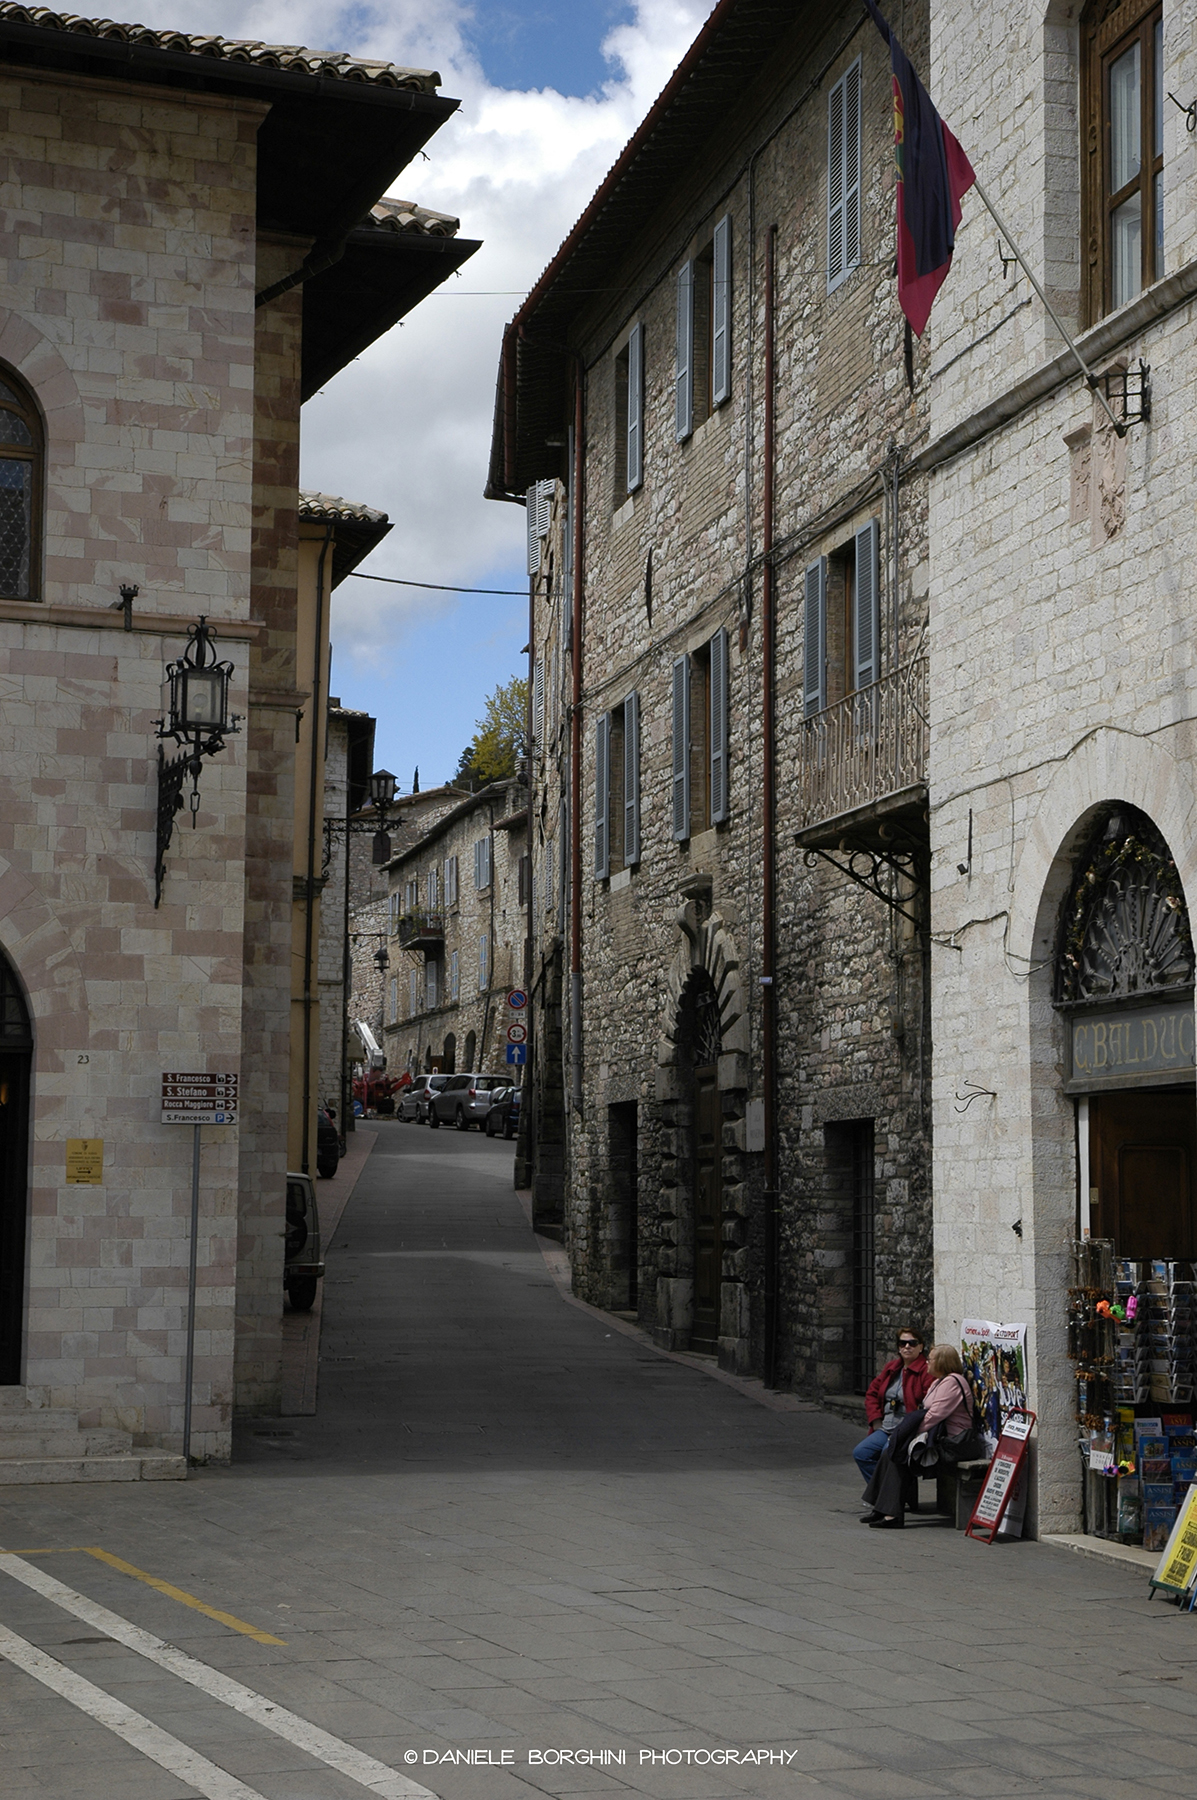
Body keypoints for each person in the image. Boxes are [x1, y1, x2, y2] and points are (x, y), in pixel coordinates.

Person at [860, 1342, 976, 1528]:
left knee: (900, 1455)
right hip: (937, 1439)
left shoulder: (953, 1382)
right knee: (890, 1451)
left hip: (953, 1444)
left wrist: (908, 1435)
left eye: (931, 1359)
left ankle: (892, 1515)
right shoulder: (939, 1381)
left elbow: (934, 1416)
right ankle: (882, 1508)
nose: (927, 1363)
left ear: (942, 1362)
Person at [853, 1329, 932, 1490]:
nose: (907, 1347)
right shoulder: (892, 1368)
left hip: (906, 1429)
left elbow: (928, 1403)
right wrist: (875, 1419)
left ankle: (889, 1499)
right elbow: (872, 1393)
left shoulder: (926, 1371)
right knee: (861, 1453)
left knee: (887, 1454)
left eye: (912, 1343)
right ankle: (886, 1494)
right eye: (903, 1343)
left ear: (920, 1347)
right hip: (886, 1426)